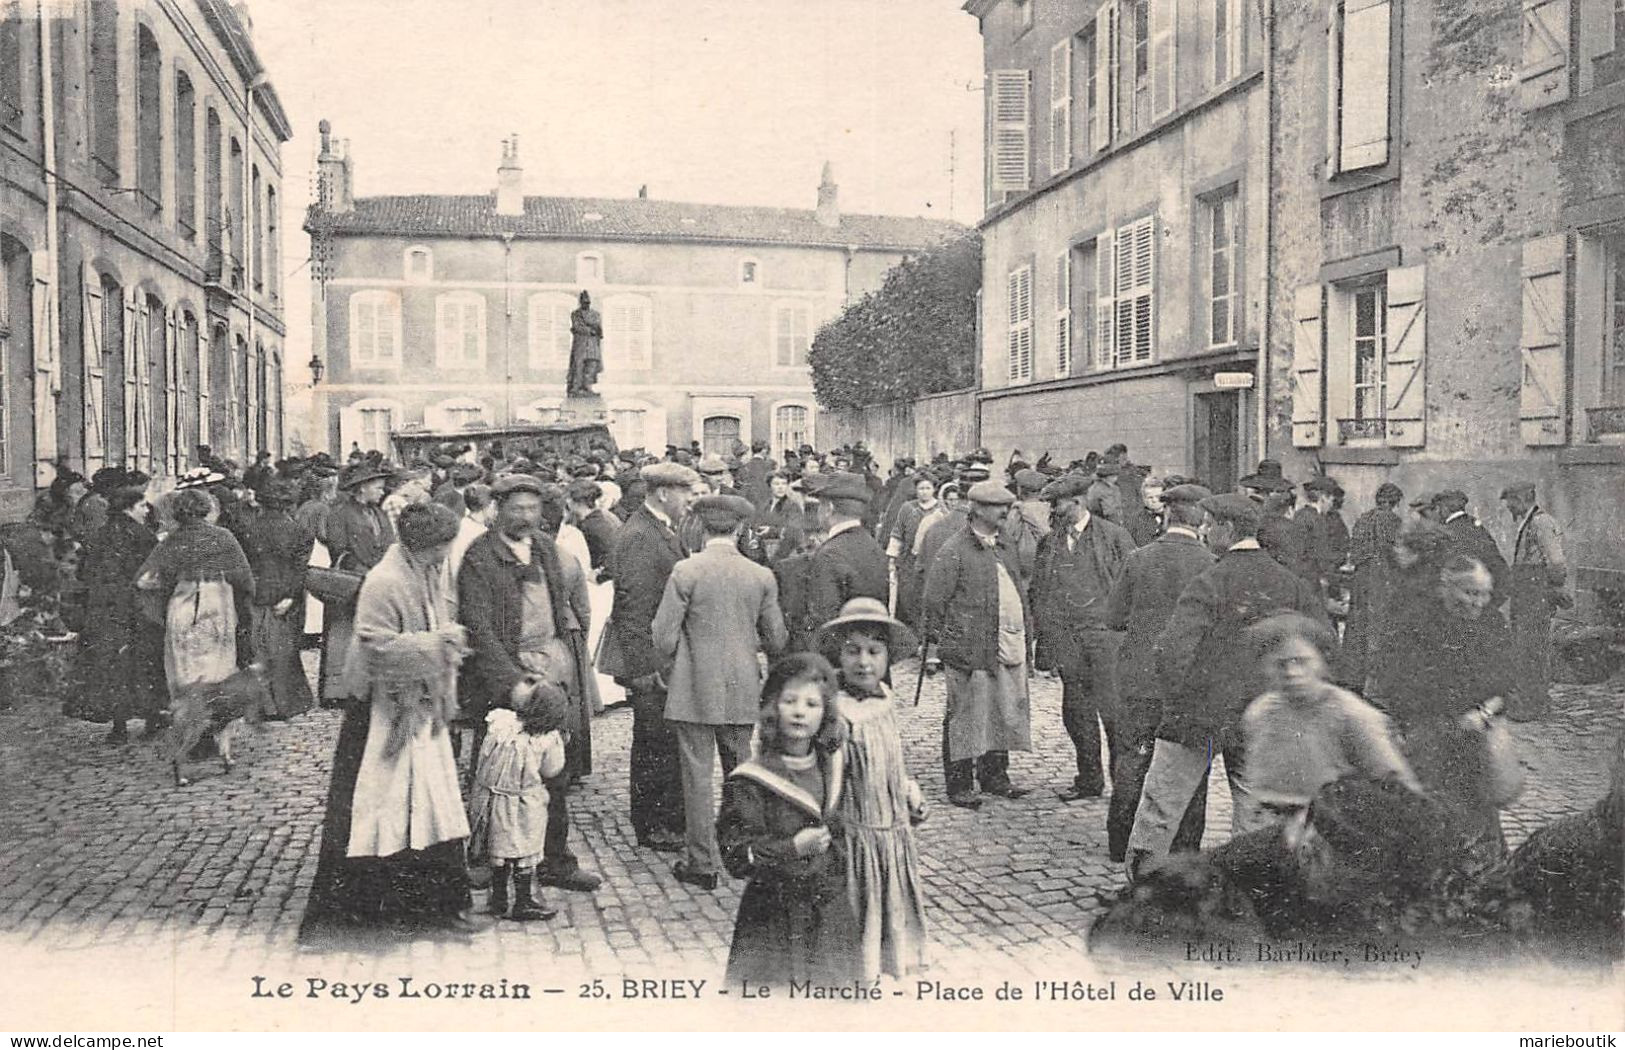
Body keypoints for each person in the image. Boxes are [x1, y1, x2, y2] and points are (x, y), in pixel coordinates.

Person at [304, 502, 487, 937]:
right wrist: (439, 644)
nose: (446, 555)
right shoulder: (385, 581)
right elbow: (374, 644)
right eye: (443, 547)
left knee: (431, 802)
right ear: (424, 546)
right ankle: (373, 910)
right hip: (382, 713)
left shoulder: (423, 570)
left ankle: (436, 904)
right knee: (379, 807)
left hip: (418, 706)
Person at [1126, 493, 1328, 873]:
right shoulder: (1291, 583)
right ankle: (1254, 893)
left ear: (1226, 528)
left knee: (1161, 809)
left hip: (1198, 714)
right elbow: (1323, 642)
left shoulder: (1210, 580)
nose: (1203, 531)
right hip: (1265, 718)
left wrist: (1181, 700)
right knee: (1256, 816)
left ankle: (1143, 890)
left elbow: (1172, 650)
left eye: (1208, 524)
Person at [457, 474, 602, 893]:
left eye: (532, 508)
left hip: (551, 671)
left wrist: (564, 667)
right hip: (507, 675)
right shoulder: (480, 558)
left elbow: (565, 609)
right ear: (498, 509)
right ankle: (487, 858)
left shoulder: (545, 550)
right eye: (516, 508)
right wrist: (512, 684)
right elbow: (479, 630)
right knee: (498, 772)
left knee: (555, 771)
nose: (525, 516)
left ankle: (556, 859)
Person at [652, 494, 789, 890]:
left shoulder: (686, 571)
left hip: (692, 686)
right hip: (743, 685)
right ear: (740, 528)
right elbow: (777, 638)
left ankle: (702, 863)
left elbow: (662, 639)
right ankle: (744, 852)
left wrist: (674, 663)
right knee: (743, 773)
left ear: (702, 527)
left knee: (696, 778)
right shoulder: (760, 575)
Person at [717, 653, 856, 985]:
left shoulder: (833, 768)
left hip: (828, 917)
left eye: (812, 704)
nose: (799, 712)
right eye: (789, 701)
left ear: (825, 714)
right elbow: (736, 858)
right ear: (772, 708)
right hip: (772, 918)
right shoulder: (751, 781)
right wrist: (791, 848)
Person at [1368, 553, 1518, 860]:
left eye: (1485, 594)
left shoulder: (1490, 625)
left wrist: (1484, 712)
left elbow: (1508, 683)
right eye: (1470, 593)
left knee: (1481, 819)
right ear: (1446, 587)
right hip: (1430, 738)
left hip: (1477, 738)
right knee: (1431, 817)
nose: (1478, 602)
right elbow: (1395, 685)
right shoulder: (1415, 625)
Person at [1101, 483, 1215, 862]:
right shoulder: (1210, 564)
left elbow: (1114, 618)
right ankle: (1185, 848)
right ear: (1201, 518)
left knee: (1133, 757)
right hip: (1188, 683)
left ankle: (1121, 843)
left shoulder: (1139, 558)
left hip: (1140, 678)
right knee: (1189, 767)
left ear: (1167, 515)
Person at [817, 598, 929, 981]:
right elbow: (828, 778)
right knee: (858, 902)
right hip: (856, 830)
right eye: (853, 651)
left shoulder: (887, 701)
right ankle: (857, 974)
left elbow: (892, 758)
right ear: (839, 655)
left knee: (890, 899)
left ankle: (887, 966)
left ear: (887, 658)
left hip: (891, 828)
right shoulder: (836, 710)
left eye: (873, 652)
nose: (863, 662)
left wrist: (908, 789)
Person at [1236, 613, 1418, 835]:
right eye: (1280, 665)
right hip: (1269, 832)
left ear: (1321, 661)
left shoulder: (1352, 715)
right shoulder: (1260, 713)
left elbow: (1398, 787)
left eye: (1301, 661)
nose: (1292, 673)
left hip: (1331, 835)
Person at [921, 479, 1034, 809]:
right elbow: (934, 601)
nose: (1006, 512)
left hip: (1004, 644)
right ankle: (959, 785)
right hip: (969, 649)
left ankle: (995, 777)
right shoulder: (954, 549)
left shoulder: (1005, 544)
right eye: (999, 507)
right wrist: (939, 645)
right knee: (964, 715)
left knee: (1001, 709)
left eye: (1007, 506)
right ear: (978, 510)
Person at [608, 462, 700, 852]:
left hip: (661, 658)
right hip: (651, 662)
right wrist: (642, 668)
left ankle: (662, 820)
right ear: (663, 493)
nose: (689, 501)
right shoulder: (642, 535)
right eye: (685, 493)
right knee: (654, 742)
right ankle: (655, 824)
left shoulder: (657, 529)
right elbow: (633, 608)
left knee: (661, 740)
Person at [1029, 473, 1135, 803]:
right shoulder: (1049, 542)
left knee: (1114, 714)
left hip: (1105, 638)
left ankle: (1124, 784)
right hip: (1068, 640)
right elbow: (1039, 591)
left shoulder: (1114, 537)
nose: (1052, 511)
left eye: (1057, 504)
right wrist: (1045, 637)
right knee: (1076, 711)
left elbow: (1133, 585)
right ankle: (1089, 779)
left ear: (1077, 503)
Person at [137, 487, 254, 701]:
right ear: (206, 509)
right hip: (218, 605)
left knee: (184, 666)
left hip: (182, 604)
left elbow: (144, 578)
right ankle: (211, 717)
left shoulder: (172, 540)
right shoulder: (223, 537)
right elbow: (244, 579)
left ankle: (189, 715)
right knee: (217, 664)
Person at [466, 679, 568, 922]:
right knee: (524, 851)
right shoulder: (546, 739)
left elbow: (483, 756)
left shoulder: (501, 725)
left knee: (498, 850)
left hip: (492, 799)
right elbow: (552, 770)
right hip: (523, 804)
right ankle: (523, 901)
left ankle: (498, 898)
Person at [80, 474, 165, 743]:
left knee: (115, 666)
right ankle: (152, 721)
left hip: (108, 612)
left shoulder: (101, 535)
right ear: (129, 508)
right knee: (147, 665)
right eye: (142, 506)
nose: (145, 511)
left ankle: (119, 728)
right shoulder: (143, 536)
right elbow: (155, 573)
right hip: (139, 611)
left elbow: (86, 572)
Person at [320, 462, 396, 707]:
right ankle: (338, 690)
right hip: (351, 581)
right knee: (342, 633)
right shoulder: (339, 513)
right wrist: (363, 569)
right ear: (362, 488)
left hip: (376, 580)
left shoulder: (379, 512)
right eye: (377, 486)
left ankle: (368, 682)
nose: (382, 491)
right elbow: (338, 548)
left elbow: (389, 543)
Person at [240, 479, 316, 718]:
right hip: (286, 595)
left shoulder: (248, 529)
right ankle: (287, 703)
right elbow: (300, 569)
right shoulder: (299, 531)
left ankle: (265, 705)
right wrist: (291, 597)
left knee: (260, 649)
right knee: (285, 651)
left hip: (258, 595)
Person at [1501, 482, 1567, 722]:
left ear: (1520, 499)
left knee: (1532, 650)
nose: (1508, 506)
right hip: (1527, 594)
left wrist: (1553, 589)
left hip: (1535, 595)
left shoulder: (1540, 522)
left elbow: (1556, 562)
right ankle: (1532, 701)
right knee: (1525, 648)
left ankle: (1533, 705)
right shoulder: (1529, 522)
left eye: (1510, 501)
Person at [804, 472, 889, 633]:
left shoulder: (828, 553)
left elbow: (823, 618)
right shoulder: (874, 547)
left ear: (829, 508)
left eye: (820, 505)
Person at [1339, 481, 1404, 690]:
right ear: (1395, 502)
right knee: (1379, 626)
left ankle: (1353, 678)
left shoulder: (1363, 519)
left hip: (1361, 577)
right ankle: (1375, 683)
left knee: (1358, 625)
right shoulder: (1393, 520)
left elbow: (1354, 550)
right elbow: (1396, 553)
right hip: (1381, 578)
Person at [885, 474, 940, 626]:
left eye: (927, 488)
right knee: (908, 595)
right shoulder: (908, 508)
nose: (924, 492)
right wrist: (892, 557)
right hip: (909, 560)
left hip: (932, 560)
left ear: (934, 490)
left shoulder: (940, 510)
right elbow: (897, 532)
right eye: (921, 488)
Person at [567, 290, 604, 397]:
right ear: (580, 302)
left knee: (591, 366)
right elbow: (578, 327)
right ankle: (576, 388)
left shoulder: (595, 314)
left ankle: (588, 387)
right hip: (581, 345)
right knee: (578, 367)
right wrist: (590, 329)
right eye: (584, 301)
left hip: (592, 345)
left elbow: (598, 327)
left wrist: (592, 328)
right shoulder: (576, 314)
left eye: (587, 301)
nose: (586, 303)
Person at [1126, 477, 1166, 548]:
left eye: (1158, 496)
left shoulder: (1174, 518)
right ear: (1144, 499)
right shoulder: (1134, 521)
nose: (1154, 500)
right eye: (1150, 497)